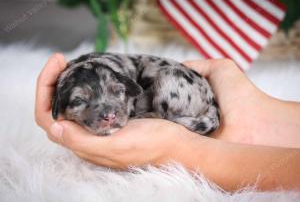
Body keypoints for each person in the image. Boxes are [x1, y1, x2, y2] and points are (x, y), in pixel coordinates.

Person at [35, 53, 300, 191]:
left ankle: (171, 116)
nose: (108, 114)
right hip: (185, 99)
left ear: (128, 88)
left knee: (166, 79)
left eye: (117, 92)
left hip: (184, 91)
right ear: (59, 105)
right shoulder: (76, 80)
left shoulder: (123, 77)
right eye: (81, 101)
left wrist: (176, 147)